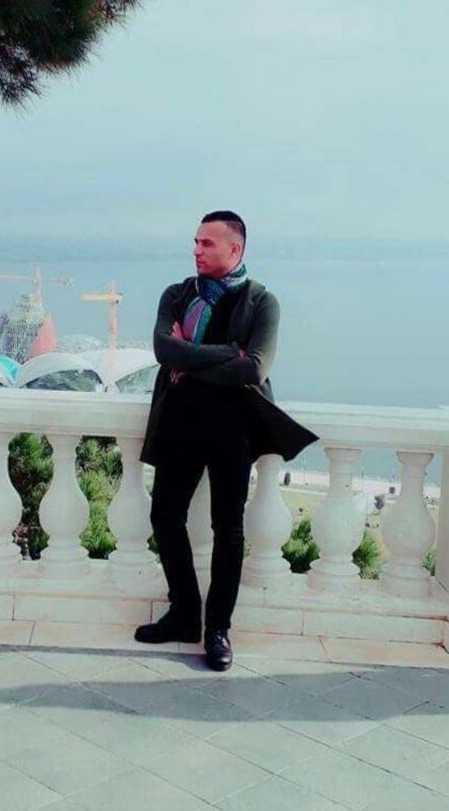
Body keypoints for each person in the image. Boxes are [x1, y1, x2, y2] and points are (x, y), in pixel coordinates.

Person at [136, 210, 318, 671]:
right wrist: (223, 353)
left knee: (228, 529)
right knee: (165, 517)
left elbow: (254, 368)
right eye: (195, 242)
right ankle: (184, 614)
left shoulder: (261, 303)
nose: (196, 250)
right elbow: (163, 350)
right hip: (179, 423)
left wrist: (189, 359)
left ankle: (218, 628)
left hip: (233, 430)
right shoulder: (177, 295)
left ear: (235, 249)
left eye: (207, 244)